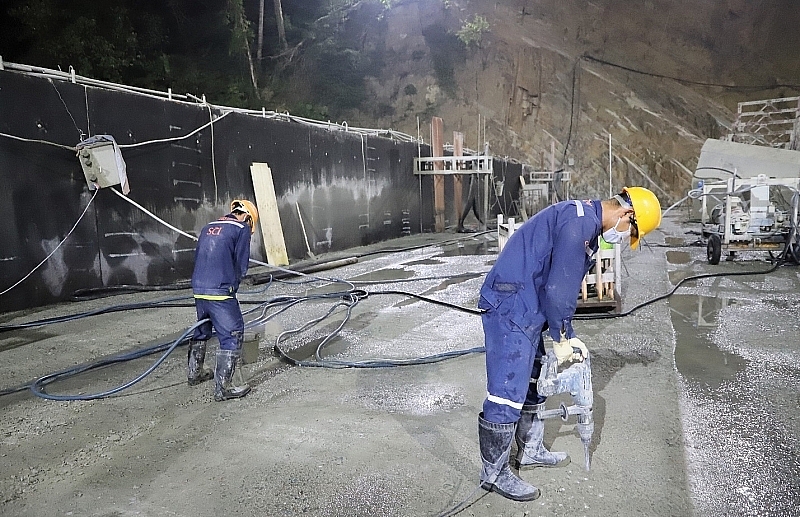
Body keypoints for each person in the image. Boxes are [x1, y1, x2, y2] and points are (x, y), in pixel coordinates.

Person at [476, 186, 662, 501]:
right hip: (511, 304)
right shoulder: (580, 224)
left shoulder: (584, 218)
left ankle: (530, 449)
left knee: (534, 380)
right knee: (507, 392)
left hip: (528, 304)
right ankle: (493, 473)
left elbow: (561, 283)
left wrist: (565, 330)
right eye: (631, 230)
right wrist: (562, 336)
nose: (625, 237)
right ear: (627, 214)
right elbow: (559, 288)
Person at [187, 199, 259, 402]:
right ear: (247, 218)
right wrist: (232, 286)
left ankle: (195, 373)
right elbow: (241, 264)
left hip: (199, 288)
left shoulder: (208, 226)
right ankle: (223, 388)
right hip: (220, 290)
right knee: (232, 333)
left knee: (202, 329)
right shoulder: (241, 228)